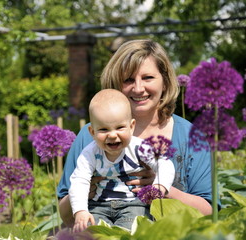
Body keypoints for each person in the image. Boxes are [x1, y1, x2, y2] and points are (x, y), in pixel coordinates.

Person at [57, 39, 216, 228]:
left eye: (148, 78)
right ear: (116, 85)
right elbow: (65, 215)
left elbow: (209, 212)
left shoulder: (191, 136)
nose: (138, 88)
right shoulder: (89, 136)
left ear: (165, 82)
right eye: (128, 80)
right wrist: (85, 194)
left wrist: (162, 190)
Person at [69, 89, 175, 232]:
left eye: (120, 127)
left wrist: (159, 186)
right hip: (98, 206)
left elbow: (164, 163)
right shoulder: (90, 153)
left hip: (134, 204)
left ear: (131, 127)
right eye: (104, 130)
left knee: (133, 228)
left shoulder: (139, 147)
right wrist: (80, 210)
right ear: (92, 132)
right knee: (90, 230)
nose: (112, 135)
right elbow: (79, 180)